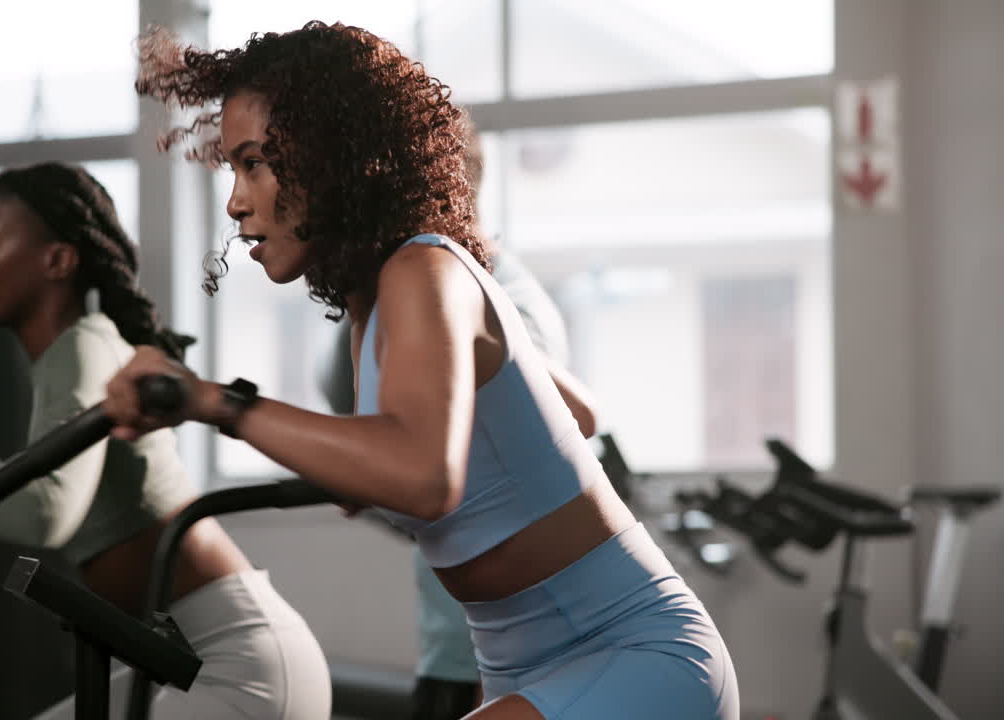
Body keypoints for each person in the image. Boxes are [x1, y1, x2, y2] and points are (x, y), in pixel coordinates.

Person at [109, 21, 738, 720]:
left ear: (332, 157)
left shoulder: (422, 268)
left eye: (254, 163)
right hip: (520, 667)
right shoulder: (372, 310)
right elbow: (569, 415)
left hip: (631, 655)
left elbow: (424, 476)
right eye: (232, 167)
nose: (235, 200)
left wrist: (215, 402)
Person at [0, 162, 331, 720]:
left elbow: (46, 513)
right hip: (184, 659)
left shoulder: (83, 343)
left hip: (238, 665)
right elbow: (56, 491)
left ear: (57, 260)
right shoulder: (74, 354)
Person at [315, 121, 590, 720]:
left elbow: (569, 421)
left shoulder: (496, 293)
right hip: (458, 637)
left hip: (518, 642)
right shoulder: (395, 293)